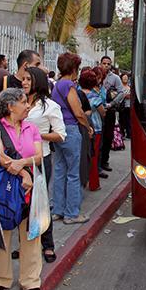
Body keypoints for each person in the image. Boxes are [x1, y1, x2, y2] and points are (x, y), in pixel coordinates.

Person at [0, 88, 43, 290]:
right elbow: (1, 156)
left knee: (31, 234)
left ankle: (31, 279)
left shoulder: (32, 128)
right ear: (10, 106)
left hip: (31, 189)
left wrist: (22, 164)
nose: (28, 105)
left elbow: (39, 156)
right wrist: (23, 174)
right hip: (5, 188)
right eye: (23, 102)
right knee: (2, 233)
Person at [22, 67, 66, 263]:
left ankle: (47, 245)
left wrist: (36, 136)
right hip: (18, 160)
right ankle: (25, 243)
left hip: (41, 159)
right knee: (20, 204)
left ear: (37, 82)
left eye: (28, 80)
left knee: (39, 202)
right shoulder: (17, 101)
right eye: (22, 79)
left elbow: (60, 134)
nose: (23, 83)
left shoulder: (49, 106)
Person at [51, 53, 93, 224]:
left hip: (59, 130)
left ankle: (58, 210)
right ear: (74, 68)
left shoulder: (56, 85)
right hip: (71, 130)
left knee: (60, 171)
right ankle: (71, 214)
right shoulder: (69, 85)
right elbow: (78, 112)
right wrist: (88, 126)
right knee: (73, 173)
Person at [0, 50, 41, 118]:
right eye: (37, 64)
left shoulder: (38, 86)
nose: (40, 68)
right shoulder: (4, 82)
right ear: (26, 65)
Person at [79, 70, 106, 190]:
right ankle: (94, 184)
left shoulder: (76, 94)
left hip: (79, 128)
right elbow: (103, 113)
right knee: (93, 156)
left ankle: (81, 182)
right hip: (95, 128)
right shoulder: (95, 97)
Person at [99, 56, 123, 172]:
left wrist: (112, 103)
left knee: (108, 137)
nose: (106, 66)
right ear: (100, 63)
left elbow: (121, 93)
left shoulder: (115, 78)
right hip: (97, 111)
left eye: (108, 64)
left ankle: (104, 161)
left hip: (109, 111)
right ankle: (97, 164)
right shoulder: (96, 75)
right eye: (104, 63)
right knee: (99, 137)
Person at [119, 73, 131, 139]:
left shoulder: (130, 87)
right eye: (124, 78)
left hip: (129, 106)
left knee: (129, 121)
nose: (125, 79)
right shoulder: (120, 87)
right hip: (122, 106)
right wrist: (125, 95)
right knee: (122, 120)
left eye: (126, 78)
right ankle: (122, 133)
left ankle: (129, 133)